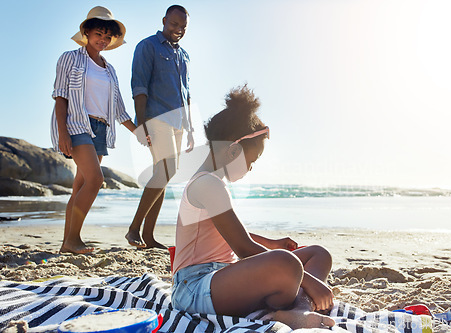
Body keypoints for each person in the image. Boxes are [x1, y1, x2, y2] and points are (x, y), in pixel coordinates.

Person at [170, 86, 336, 330]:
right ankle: (298, 303)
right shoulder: (207, 184)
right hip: (194, 289)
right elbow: (243, 247)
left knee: (318, 254)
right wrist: (309, 281)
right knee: (288, 264)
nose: (250, 168)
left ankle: (297, 309)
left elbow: (227, 236)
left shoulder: (213, 182)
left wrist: (272, 243)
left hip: (224, 276)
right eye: (252, 160)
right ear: (234, 150)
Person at [50, 6, 137, 254]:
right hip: (77, 124)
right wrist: (63, 132)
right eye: (99, 33)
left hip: (101, 128)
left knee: (80, 185)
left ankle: (67, 244)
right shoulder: (70, 58)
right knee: (96, 180)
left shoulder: (110, 71)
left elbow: (119, 110)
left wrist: (139, 133)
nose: (104, 39)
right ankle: (73, 239)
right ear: (86, 32)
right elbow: (60, 97)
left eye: (108, 36)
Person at [126, 5, 194, 249]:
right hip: (156, 117)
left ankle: (149, 235)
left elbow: (186, 93)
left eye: (183, 27)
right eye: (174, 24)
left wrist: (190, 128)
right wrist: (140, 123)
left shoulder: (183, 55)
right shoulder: (147, 46)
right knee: (167, 170)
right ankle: (134, 229)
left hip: (178, 122)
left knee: (163, 174)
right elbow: (139, 86)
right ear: (165, 20)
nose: (178, 30)